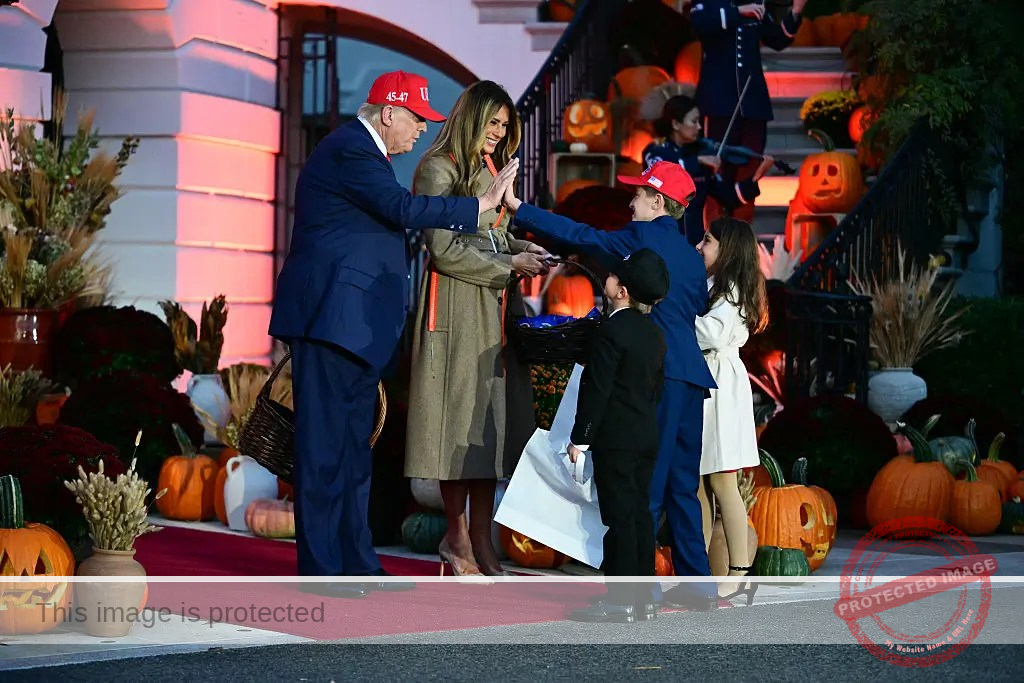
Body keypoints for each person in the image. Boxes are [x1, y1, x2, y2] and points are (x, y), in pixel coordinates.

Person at [269, 70, 519, 599]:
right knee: (322, 452)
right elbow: (403, 211)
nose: (421, 132)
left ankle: (358, 564)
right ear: (389, 112)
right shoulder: (350, 150)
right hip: (330, 323)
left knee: (355, 452)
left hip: (354, 327)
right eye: (416, 120)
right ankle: (320, 573)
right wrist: (478, 205)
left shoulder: (366, 155)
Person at [503, 161, 719, 610]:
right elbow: (696, 305)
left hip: (654, 373)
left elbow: (583, 236)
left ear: (658, 202)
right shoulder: (690, 256)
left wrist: (520, 208)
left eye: (639, 194)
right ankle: (698, 584)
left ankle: (639, 590)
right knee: (683, 483)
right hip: (693, 375)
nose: (631, 200)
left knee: (645, 489)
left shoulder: (639, 238)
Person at [404, 80, 549, 577]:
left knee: (489, 424)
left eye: (505, 126)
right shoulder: (437, 169)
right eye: (493, 123)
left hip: (495, 308)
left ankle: (483, 537)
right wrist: (509, 266)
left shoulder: (491, 168)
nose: (499, 133)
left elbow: (498, 235)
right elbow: (443, 250)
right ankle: (457, 534)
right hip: (455, 308)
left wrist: (524, 252)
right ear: (472, 118)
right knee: (456, 424)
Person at [565, 249, 669, 624]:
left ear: (621, 291)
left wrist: (581, 437)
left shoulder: (611, 331)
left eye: (612, 275)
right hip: (646, 434)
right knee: (640, 514)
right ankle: (644, 598)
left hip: (617, 438)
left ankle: (621, 599)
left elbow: (598, 390)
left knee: (619, 518)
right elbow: (655, 388)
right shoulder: (655, 334)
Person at [694, 218, 768, 605]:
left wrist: (675, 320)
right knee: (698, 483)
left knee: (723, 482)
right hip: (704, 381)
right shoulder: (711, 286)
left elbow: (710, 333)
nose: (699, 246)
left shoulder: (734, 292)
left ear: (728, 249)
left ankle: (739, 573)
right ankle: (703, 569)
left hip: (720, 385)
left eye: (707, 241)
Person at [691, 0, 806, 221]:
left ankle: (741, 240)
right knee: (715, 171)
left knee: (750, 169)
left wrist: (796, 11)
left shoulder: (755, 3)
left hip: (752, 103)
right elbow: (700, 23)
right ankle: (713, 241)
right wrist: (737, 12)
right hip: (718, 103)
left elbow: (777, 39)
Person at [643, 94, 774, 246]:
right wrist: (696, 161)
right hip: (661, 244)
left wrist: (755, 178)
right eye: (694, 121)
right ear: (676, 124)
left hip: (693, 245)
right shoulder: (655, 151)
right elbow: (664, 174)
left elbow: (727, 196)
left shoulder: (700, 161)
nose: (699, 127)